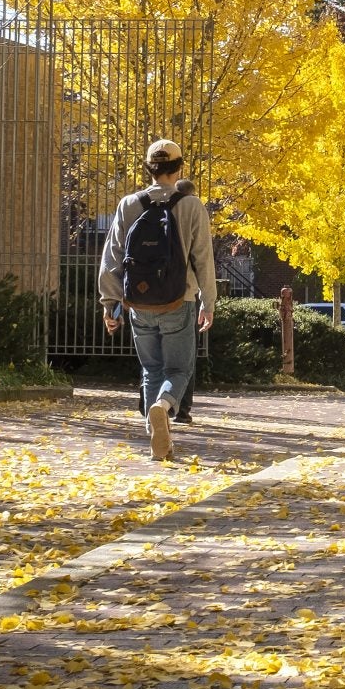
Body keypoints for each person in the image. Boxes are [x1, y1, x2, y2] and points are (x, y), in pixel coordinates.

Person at [99, 139, 216, 462]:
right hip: (180, 300)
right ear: (180, 168)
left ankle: (158, 442)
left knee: (151, 368)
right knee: (179, 369)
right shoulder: (191, 206)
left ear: (149, 169)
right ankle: (163, 407)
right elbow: (203, 259)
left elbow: (113, 257)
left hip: (139, 304)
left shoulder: (128, 204)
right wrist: (208, 303)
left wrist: (110, 304)